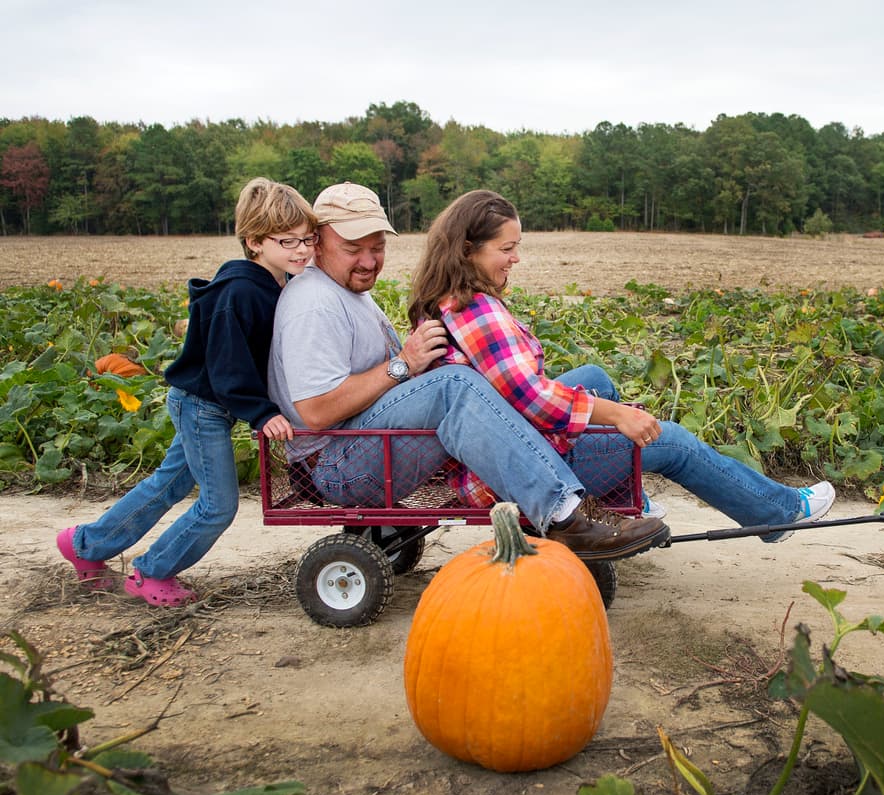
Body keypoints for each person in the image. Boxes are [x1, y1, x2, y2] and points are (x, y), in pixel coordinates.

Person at [267, 182, 669, 562]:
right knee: (455, 384)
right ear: (317, 241)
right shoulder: (315, 304)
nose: (369, 261)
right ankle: (563, 516)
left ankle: (605, 497)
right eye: (353, 248)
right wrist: (403, 365)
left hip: (363, 444)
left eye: (377, 247)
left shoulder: (349, 292)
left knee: (591, 379)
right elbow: (316, 411)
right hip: (337, 468)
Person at [404, 189, 835, 541]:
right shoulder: (476, 311)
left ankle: (623, 493)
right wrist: (619, 416)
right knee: (673, 443)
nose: (516, 258)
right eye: (507, 248)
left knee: (593, 377)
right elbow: (533, 402)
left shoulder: (448, 298)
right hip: (504, 472)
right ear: (468, 249)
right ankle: (780, 513)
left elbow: (512, 394)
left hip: (492, 442)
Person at [57, 178, 315, 607]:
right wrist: (261, 413)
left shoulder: (272, 285)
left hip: (207, 404)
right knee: (218, 506)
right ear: (253, 241)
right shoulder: (239, 293)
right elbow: (227, 366)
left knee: (168, 485)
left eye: (308, 239)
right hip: (203, 406)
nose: (302, 250)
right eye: (288, 240)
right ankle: (152, 572)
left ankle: (85, 545)